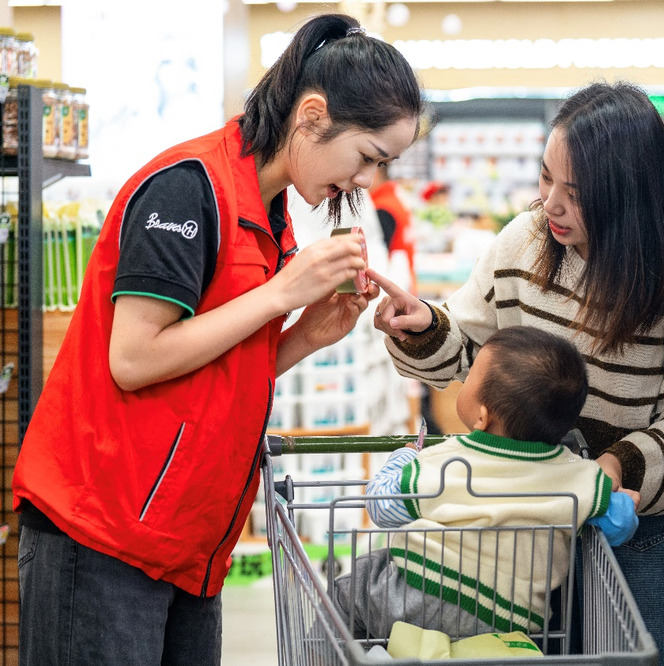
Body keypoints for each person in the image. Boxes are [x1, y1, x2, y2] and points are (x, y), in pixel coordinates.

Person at [12, 14, 421, 665]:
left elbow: (218, 369)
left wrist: (304, 336)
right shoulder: (186, 189)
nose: (367, 181)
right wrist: (282, 295)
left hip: (187, 545)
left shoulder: (269, 214)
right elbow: (134, 359)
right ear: (312, 116)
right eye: (368, 157)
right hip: (104, 534)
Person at [368, 81, 664, 666]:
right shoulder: (523, 242)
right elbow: (474, 354)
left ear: (629, 195)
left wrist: (615, 469)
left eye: (578, 192)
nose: (552, 205)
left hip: (643, 531)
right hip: (526, 529)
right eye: (547, 178)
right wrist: (424, 328)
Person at [333, 326, 639, 639]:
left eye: (471, 376)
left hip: (418, 596)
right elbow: (620, 524)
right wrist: (624, 503)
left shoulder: (446, 460)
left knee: (349, 590)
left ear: (482, 416)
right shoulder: (580, 475)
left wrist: (403, 457)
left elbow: (382, 508)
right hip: (511, 622)